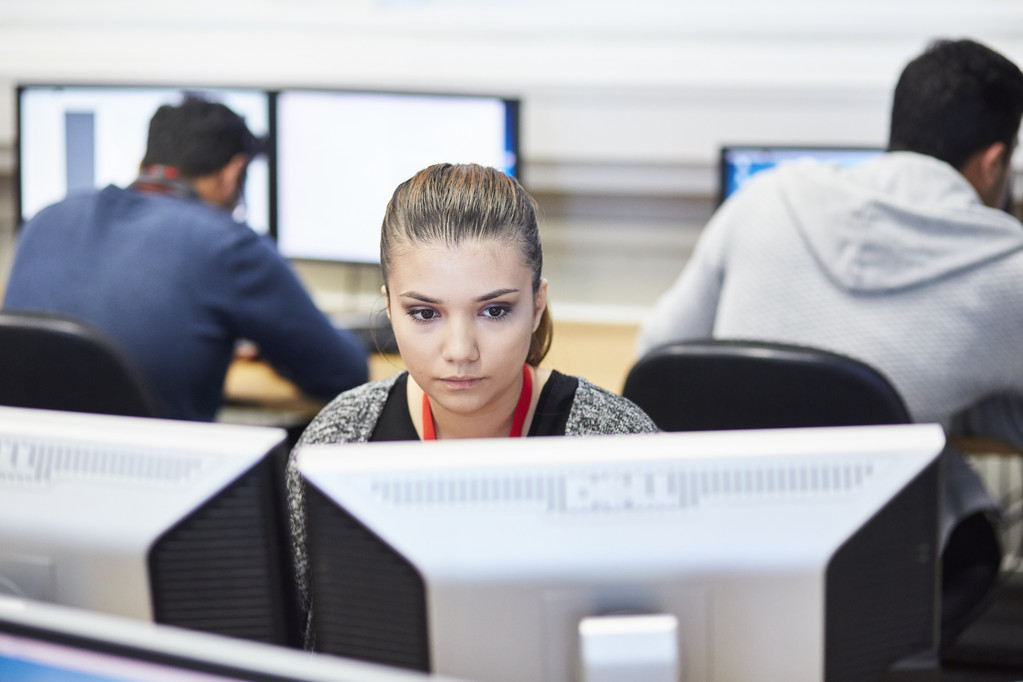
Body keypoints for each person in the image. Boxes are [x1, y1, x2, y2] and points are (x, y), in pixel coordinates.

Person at [636, 38, 1023, 645]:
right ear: (994, 163)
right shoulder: (1010, 270)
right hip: (880, 567)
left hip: (722, 545)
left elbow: (657, 359)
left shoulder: (766, 197)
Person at [287, 162, 657, 646]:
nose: (460, 349)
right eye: (424, 313)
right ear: (389, 308)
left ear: (537, 305)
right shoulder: (337, 444)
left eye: (495, 310)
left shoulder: (618, 447)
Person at [3, 95, 368, 421]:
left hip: (29, 478)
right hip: (155, 479)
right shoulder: (228, 244)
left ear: (145, 160)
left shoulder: (46, 218)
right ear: (233, 173)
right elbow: (342, 372)